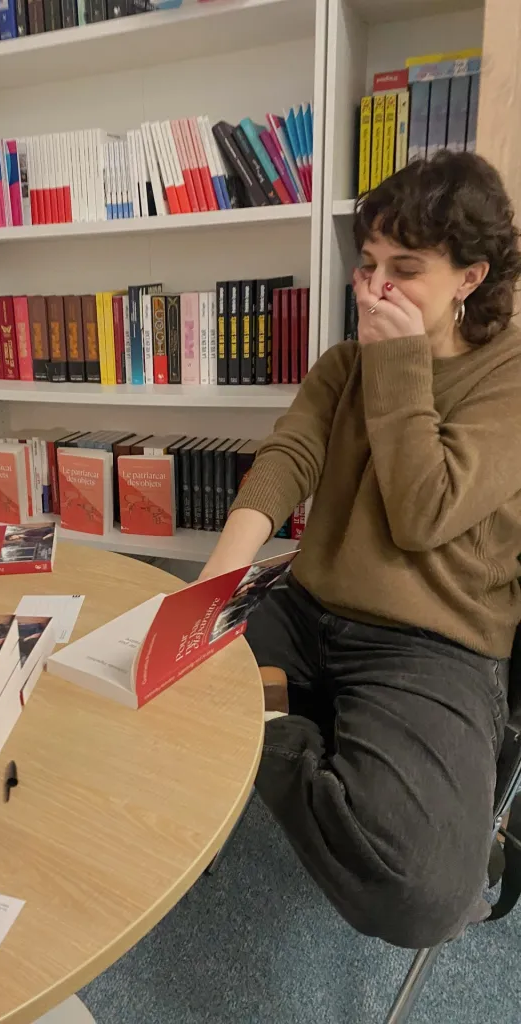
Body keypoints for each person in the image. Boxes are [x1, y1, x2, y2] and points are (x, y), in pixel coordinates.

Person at [200, 151, 521, 949]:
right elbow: (287, 463)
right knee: (158, 688)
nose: (376, 289)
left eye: (405, 269)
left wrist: (401, 362)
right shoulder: (343, 365)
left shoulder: (510, 378)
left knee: (420, 896)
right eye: (368, 265)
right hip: (307, 611)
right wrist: (208, 591)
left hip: (433, 642)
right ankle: (289, 733)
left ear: (470, 277)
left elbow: (423, 512)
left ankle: (274, 733)